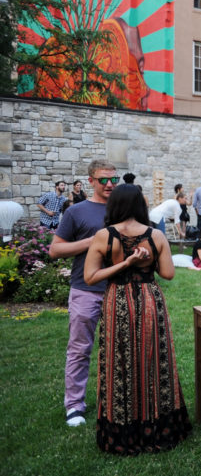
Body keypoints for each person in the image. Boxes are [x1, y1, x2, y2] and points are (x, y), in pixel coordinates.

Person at [82, 184, 191, 454]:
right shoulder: (155, 235)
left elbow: (90, 277)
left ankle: (122, 427)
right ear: (141, 206)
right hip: (148, 299)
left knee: (118, 361)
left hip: (116, 300)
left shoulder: (103, 236)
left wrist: (121, 264)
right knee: (153, 360)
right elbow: (168, 274)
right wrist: (137, 261)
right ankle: (158, 424)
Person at [49, 160, 118, 427]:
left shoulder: (123, 210)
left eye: (113, 179)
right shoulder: (76, 212)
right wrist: (93, 241)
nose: (109, 184)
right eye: (103, 180)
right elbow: (55, 250)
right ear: (91, 181)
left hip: (118, 288)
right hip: (85, 290)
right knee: (79, 349)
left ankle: (114, 400)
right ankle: (74, 406)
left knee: (118, 349)